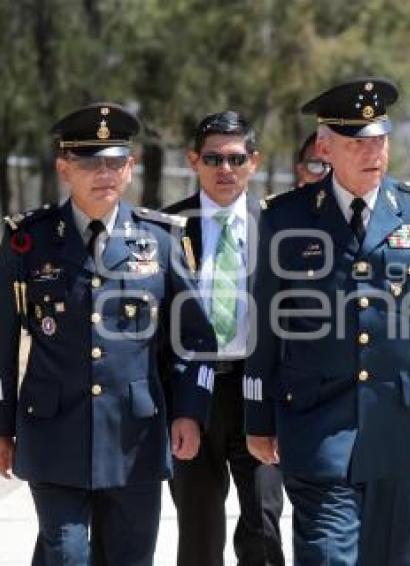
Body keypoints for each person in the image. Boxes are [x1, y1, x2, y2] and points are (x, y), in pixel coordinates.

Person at [244, 78, 410, 566]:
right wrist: (257, 416)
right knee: (327, 555)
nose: (372, 152)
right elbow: (266, 324)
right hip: (316, 423)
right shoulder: (286, 218)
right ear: (326, 147)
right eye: (357, 142)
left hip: (402, 427)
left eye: (379, 140)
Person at [0, 102, 217, 565]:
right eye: (88, 162)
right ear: (64, 168)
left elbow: (196, 340)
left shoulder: (160, 241)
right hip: (52, 432)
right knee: (65, 553)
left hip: (136, 438)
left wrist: (190, 410)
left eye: (114, 161)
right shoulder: (29, 240)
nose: (102, 173)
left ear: (131, 167)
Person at [162, 111, 284, 566]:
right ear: (194, 161)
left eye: (236, 158)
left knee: (265, 522)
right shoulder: (166, 228)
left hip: (258, 390)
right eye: (212, 158)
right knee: (199, 528)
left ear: (254, 161)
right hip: (194, 392)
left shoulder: (278, 227)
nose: (225, 169)